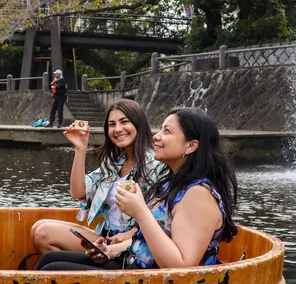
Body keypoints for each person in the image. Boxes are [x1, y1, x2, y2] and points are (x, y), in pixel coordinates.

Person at [37, 107, 238, 271]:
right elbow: (79, 193)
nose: (156, 137)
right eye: (112, 124)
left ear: (191, 146)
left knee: (51, 269)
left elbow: (182, 267)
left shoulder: (198, 194)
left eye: (167, 132)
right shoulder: (171, 182)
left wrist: (140, 211)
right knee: (51, 261)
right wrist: (112, 250)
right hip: (131, 260)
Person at [30, 99, 163, 256]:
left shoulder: (156, 164)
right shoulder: (114, 162)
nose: (118, 129)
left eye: (124, 122)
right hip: (105, 235)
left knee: (44, 233)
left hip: (132, 242)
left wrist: (131, 233)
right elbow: (78, 193)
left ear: (138, 124)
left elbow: (163, 213)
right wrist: (80, 149)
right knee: (39, 226)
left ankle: (97, 273)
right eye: (112, 125)